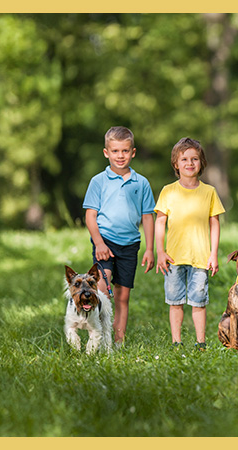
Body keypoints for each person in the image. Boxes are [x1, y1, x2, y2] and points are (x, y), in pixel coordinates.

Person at [83, 126, 155, 347]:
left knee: (123, 297)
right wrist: (99, 243)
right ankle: (99, 339)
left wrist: (150, 249)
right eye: (115, 151)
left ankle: (118, 341)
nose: (120, 156)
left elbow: (148, 217)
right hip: (105, 241)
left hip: (130, 244)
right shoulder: (98, 181)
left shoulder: (141, 183)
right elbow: (90, 216)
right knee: (102, 293)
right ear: (106, 153)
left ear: (133, 152)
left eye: (125, 151)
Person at [154, 137, 225, 351]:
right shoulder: (168, 191)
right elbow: (160, 221)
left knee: (198, 301)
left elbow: (215, 223)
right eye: (184, 159)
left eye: (194, 158)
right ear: (176, 164)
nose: (189, 163)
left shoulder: (209, 192)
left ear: (201, 163)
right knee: (175, 301)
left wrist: (213, 254)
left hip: (201, 257)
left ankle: (200, 342)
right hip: (174, 257)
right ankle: (176, 342)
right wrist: (160, 252)